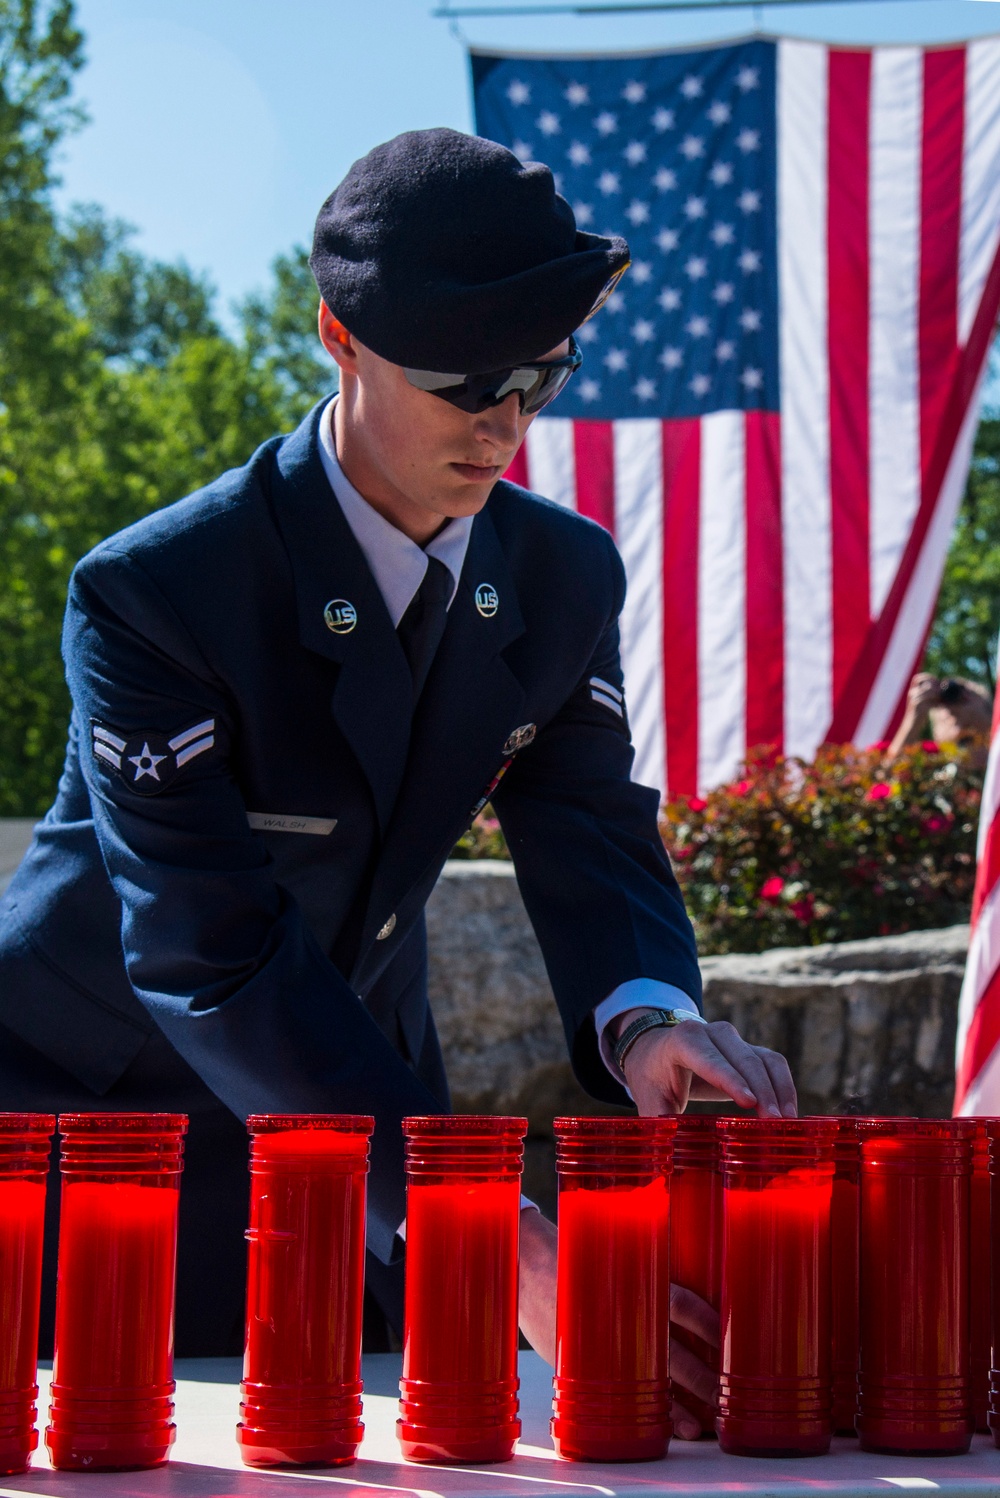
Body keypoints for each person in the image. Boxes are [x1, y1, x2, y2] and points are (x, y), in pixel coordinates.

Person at [0, 128, 796, 1434]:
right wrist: (472, 1210)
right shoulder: (156, 593)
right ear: (338, 337)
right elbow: (208, 951)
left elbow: (586, 817)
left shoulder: (561, 576)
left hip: (358, 1092)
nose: (505, 421)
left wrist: (649, 1018)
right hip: (112, 1116)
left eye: (543, 374)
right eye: (468, 375)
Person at [887, 671, 992, 764]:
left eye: (968, 694)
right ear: (936, 733)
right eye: (944, 703)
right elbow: (890, 775)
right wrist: (913, 720)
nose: (954, 708)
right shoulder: (929, 773)